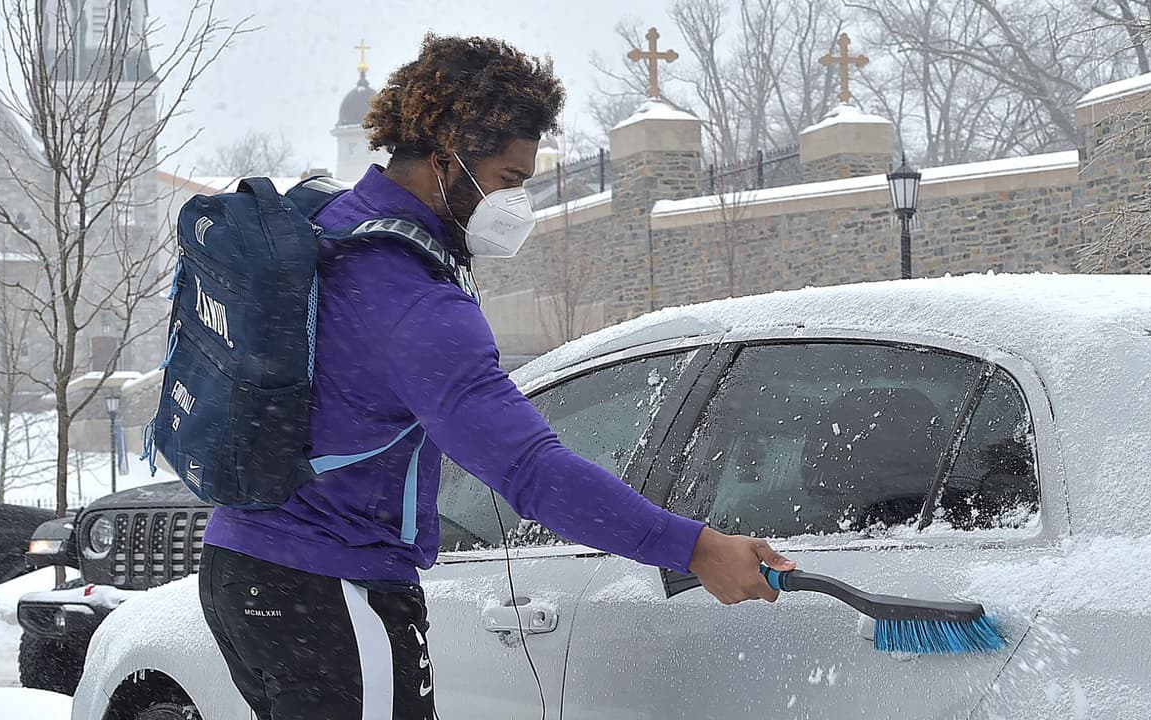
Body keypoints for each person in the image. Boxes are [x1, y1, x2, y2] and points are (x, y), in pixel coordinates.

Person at [198, 33, 794, 720]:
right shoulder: (418, 305)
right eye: (510, 180)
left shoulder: (329, 225)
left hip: (243, 566)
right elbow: (533, 475)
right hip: (330, 586)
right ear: (446, 152)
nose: (517, 204)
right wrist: (693, 547)